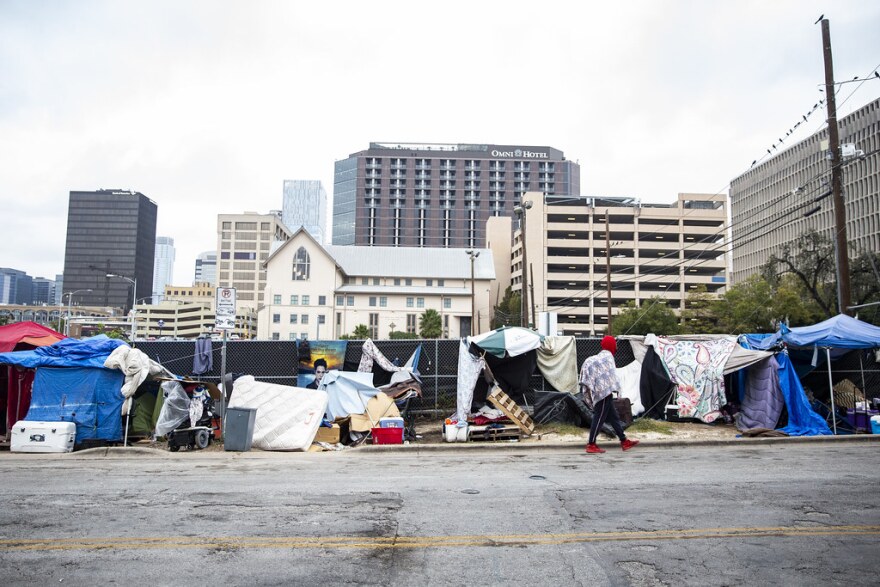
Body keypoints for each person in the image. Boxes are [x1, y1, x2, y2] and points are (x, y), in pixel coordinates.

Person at [579, 335, 639, 454]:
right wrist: (612, 387)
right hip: (603, 393)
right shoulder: (607, 357)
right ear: (611, 345)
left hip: (604, 391)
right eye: (614, 344)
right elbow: (610, 375)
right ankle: (591, 444)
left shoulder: (605, 356)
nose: (616, 347)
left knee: (614, 417)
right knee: (599, 417)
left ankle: (624, 441)